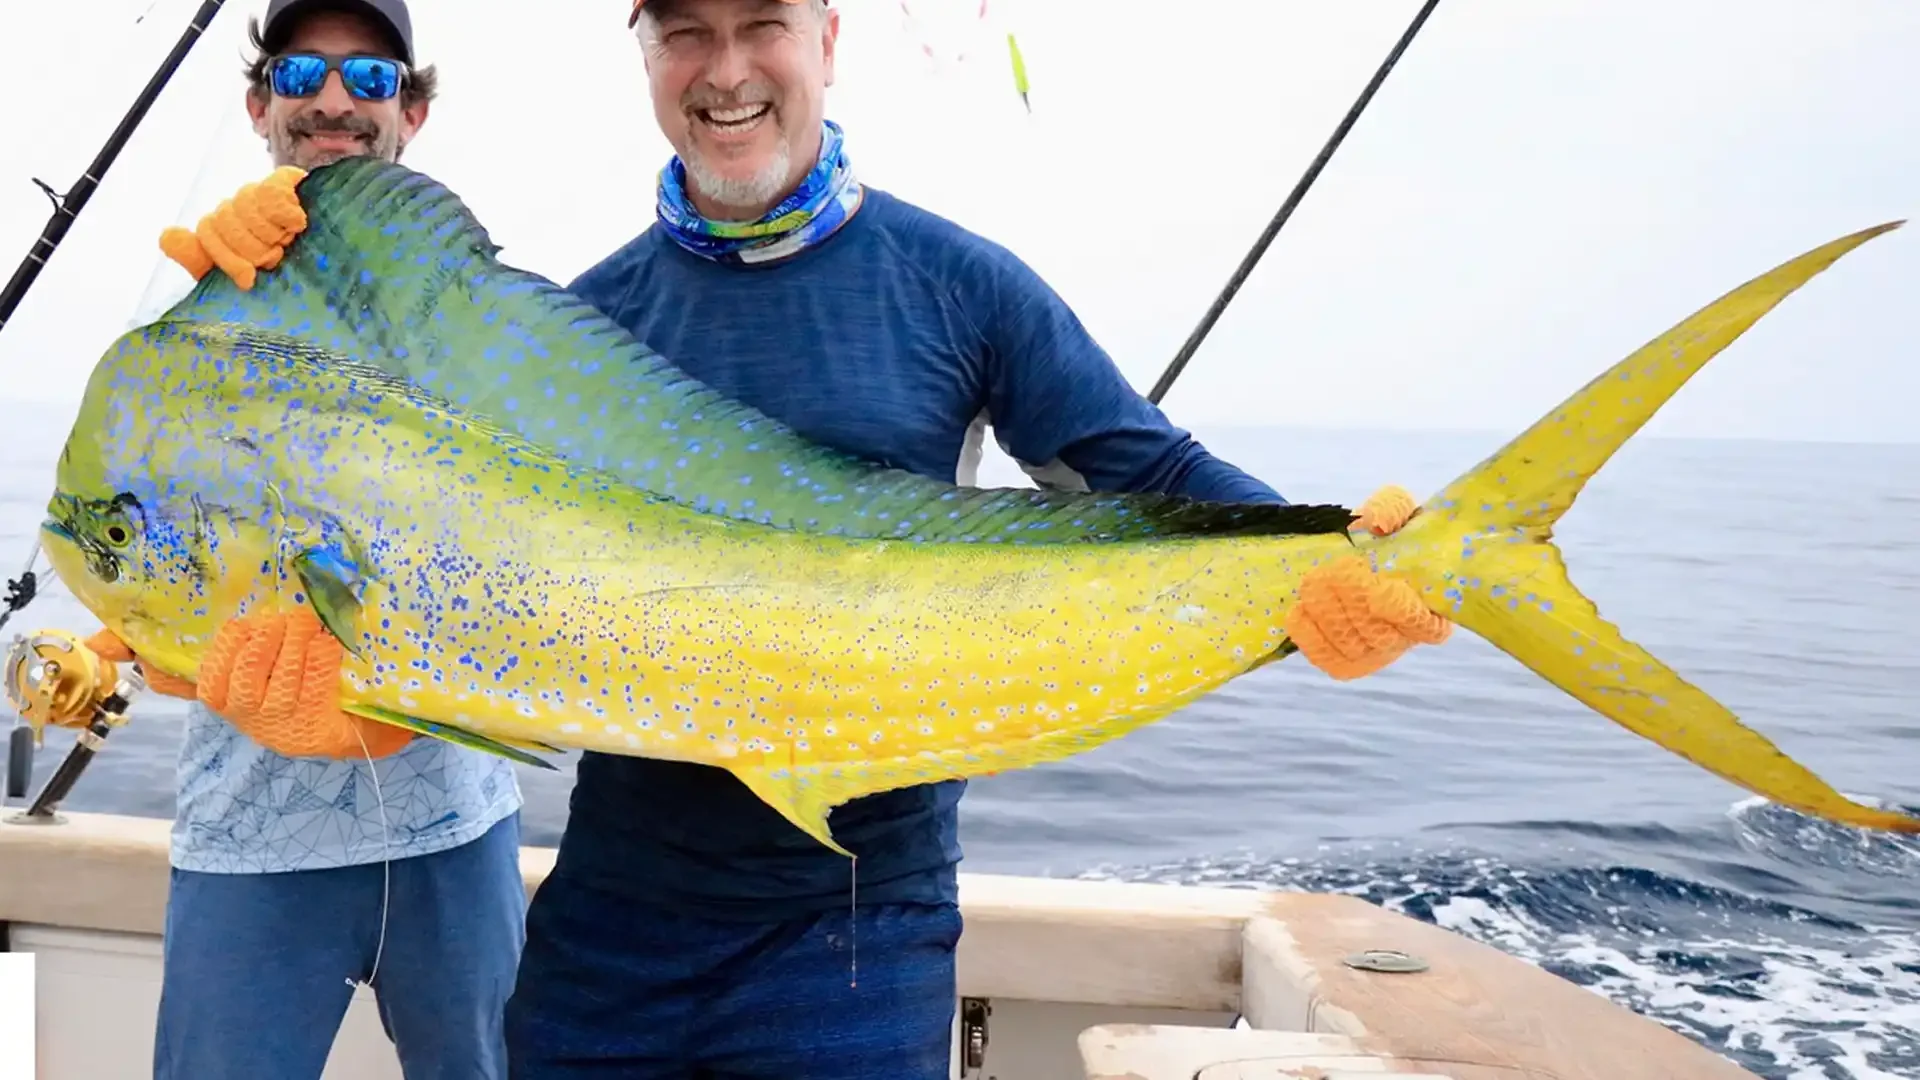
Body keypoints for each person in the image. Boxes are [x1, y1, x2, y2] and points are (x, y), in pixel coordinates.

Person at [134, 1, 1449, 1075]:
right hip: (610, 934)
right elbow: (428, 564)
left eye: (761, 23)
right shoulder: (574, 333)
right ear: (643, 54)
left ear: (828, 37)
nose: (726, 71)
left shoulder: (959, 284)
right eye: (685, 33)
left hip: (858, 935)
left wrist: (1336, 560)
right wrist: (273, 285)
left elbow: (1146, 470)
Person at [77, 2, 528, 1078]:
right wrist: (138, 641)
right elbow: (142, 538)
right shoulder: (190, 311)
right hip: (250, 838)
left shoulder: (471, 307)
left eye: (371, 79)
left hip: (451, 830)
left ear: (411, 111)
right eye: (302, 72)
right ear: (258, 103)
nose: (334, 100)